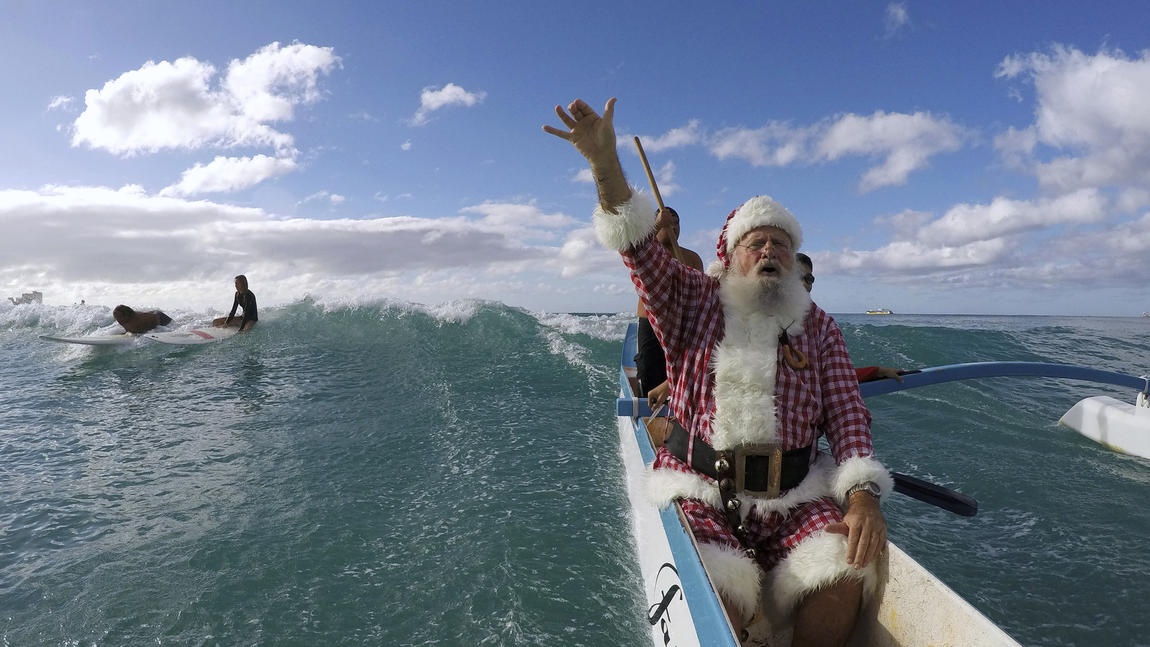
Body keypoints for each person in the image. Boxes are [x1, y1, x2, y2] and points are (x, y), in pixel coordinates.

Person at [545, 97, 891, 644]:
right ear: (730, 258)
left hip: (793, 496)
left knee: (846, 572)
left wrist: (862, 494)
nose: (770, 250)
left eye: (781, 242)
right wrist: (605, 167)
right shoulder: (693, 300)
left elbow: (848, 418)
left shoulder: (819, 326)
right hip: (701, 486)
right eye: (757, 243)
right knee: (715, 595)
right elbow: (638, 249)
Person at [636, 206, 704, 446]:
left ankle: (681, 423)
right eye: (666, 222)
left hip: (682, 322)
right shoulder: (647, 253)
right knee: (649, 369)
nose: (672, 226)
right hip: (650, 322)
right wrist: (654, 225)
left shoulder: (692, 258)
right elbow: (633, 245)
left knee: (682, 372)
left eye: (676, 223)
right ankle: (651, 425)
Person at [795, 253, 904, 383]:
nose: (803, 283)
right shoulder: (767, 325)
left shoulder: (823, 326)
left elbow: (838, 376)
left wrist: (877, 371)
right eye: (796, 276)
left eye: (809, 279)